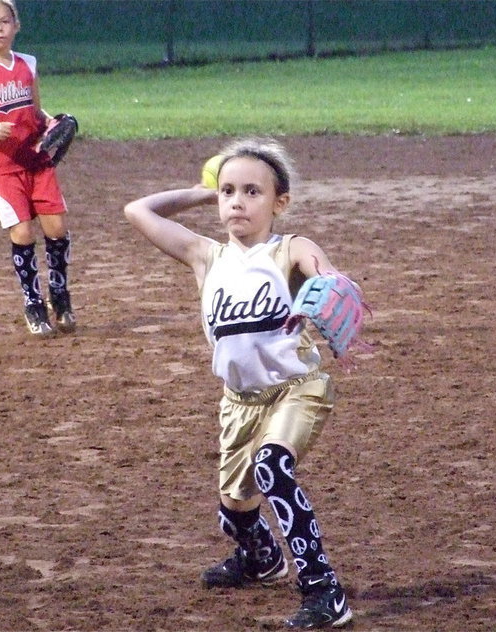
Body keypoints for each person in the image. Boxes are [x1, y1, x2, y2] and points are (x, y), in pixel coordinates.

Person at [123, 138, 356, 629]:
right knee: (234, 512)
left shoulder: (289, 249)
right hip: (238, 405)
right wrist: (202, 191)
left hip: (297, 388)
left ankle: (323, 591)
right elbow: (138, 209)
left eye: (253, 191)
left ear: (280, 202)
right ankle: (261, 560)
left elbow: (323, 270)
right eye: (229, 191)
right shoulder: (205, 257)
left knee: (273, 467)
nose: (237, 201)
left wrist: (329, 283)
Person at [0, 0, 75, 336]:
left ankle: (60, 297)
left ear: (16, 25)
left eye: (4, 22)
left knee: (57, 229)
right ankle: (33, 303)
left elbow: (33, 110)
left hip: (36, 160)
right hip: (1, 167)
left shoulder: (28, 64)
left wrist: (49, 122)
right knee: (21, 233)